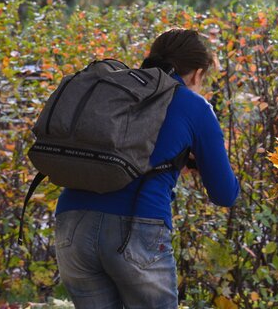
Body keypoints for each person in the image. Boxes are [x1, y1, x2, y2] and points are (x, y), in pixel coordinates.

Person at [54, 29, 240, 309]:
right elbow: (225, 194)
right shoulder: (193, 105)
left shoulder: (117, 90)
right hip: (136, 227)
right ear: (197, 74)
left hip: (71, 223)